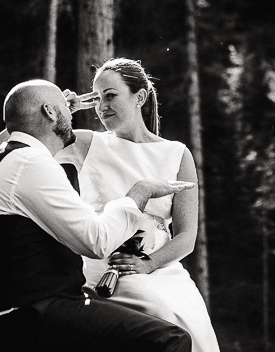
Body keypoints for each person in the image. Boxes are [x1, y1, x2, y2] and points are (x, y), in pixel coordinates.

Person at [0, 79, 194, 352]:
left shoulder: (13, 157)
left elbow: (15, 129)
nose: (71, 113)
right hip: (26, 315)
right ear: (50, 112)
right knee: (169, 340)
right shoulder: (30, 163)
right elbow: (96, 241)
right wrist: (140, 193)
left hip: (18, 310)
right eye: (64, 107)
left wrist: (54, 109)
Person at [58, 58, 221, 352]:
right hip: (110, 266)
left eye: (110, 96)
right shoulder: (87, 144)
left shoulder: (176, 154)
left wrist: (148, 265)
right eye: (96, 99)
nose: (101, 106)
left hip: (161, 268)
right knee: (163, 315)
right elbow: (10, 142)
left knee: (196, 325)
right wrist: (60, 110)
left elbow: (186, 237)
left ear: (140, 97)